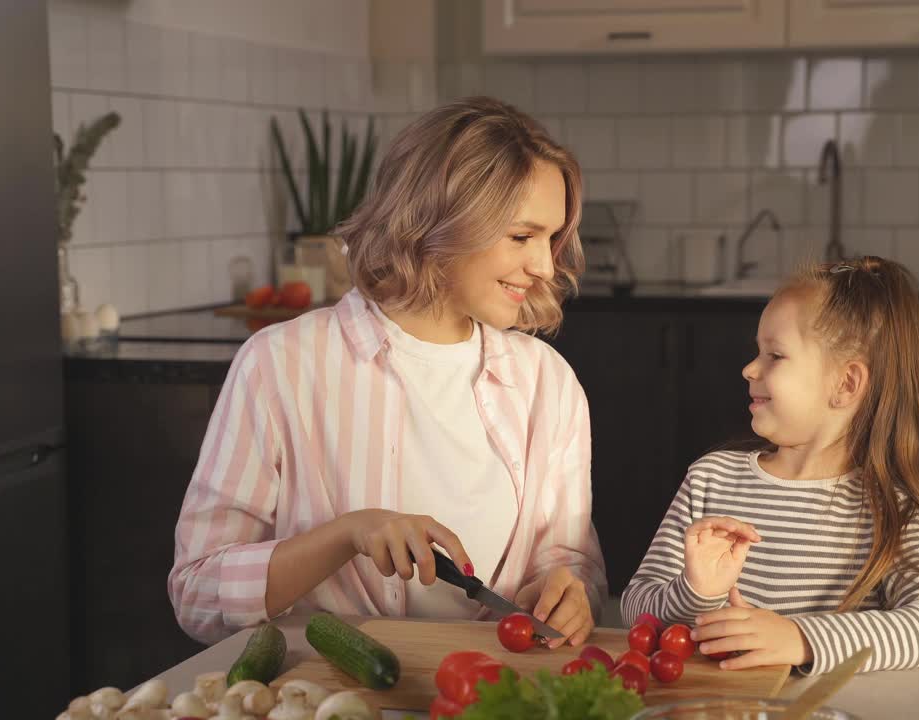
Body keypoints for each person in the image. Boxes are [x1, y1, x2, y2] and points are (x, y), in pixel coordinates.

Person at [169, 97, 606, 648]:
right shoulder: (281, 365)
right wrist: (347, 534)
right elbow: (196, 593)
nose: (544, 265)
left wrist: (568, 593)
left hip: (496, 694)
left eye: (552, 238)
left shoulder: (549, 382)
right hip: (330, 699)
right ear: (442, 220)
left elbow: (573, 564)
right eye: (522, 236)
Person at [621, 256, 919, 674]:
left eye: (775, 355)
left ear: (846, 384)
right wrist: (694, 592)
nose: (750, 368)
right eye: (758, 351)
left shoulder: (887, 510)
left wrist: (801, 639)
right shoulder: (710, 480)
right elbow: (635, 607)